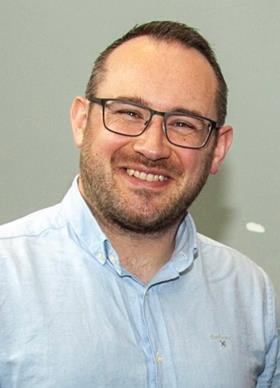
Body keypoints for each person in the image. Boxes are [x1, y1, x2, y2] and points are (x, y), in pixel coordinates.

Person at [0, 20, 279, 388]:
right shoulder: (7, 279)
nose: (152, 147)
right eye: (129, 113)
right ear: (82, 122)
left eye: (183, 123)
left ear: (218, 149)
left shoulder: (249, 293)